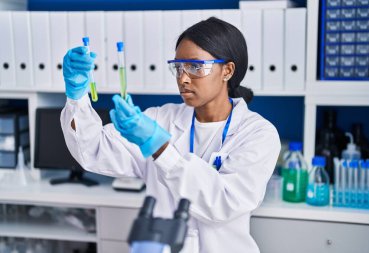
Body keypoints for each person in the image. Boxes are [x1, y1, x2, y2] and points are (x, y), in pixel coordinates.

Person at [61, 17, 280, 253]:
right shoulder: (160, 119)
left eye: (195, 66)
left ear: (227, 70)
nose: (183, 78)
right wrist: (77, 96)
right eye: (178, 66)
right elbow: (93, 151)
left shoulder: (258, 134)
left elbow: (223, 204)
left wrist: (159, 147)